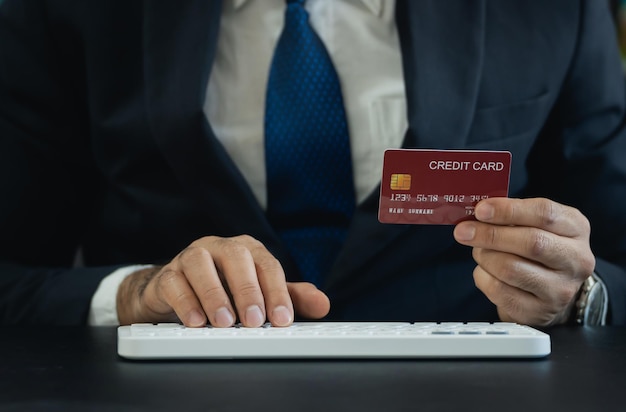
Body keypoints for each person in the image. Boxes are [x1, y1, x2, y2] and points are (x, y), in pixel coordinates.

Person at [0, 0, 625, 328]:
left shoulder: (554, 6)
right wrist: (134, 293)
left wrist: (580, 295)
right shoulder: (64, 8)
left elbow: (615, 254)